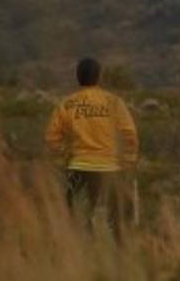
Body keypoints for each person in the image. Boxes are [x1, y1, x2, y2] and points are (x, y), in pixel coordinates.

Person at [45, 57, 139, 237]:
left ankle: (84, 255)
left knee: (77, 221)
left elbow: (51, 138)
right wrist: (128, 161)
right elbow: (130, 135)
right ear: (98, 76)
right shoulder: (114, 102)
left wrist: (65, 155)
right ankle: (121, 257)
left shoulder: (67, 104)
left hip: (78, 169)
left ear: (78, 77)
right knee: (120, 221)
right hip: (110, 170)